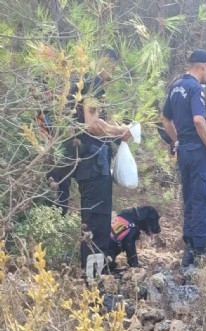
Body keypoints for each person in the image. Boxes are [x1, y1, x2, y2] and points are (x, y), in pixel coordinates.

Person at [69, 48, 131, 284]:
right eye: (113, 66)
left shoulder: (89, 85)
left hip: (92, 163)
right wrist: (119, 131)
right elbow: (93, 124)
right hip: (94, 164)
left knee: (96, 222)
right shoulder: (93, 82)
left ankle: (94, 277)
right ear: (105, 62)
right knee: (96, 223)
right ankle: (93, 284)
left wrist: (117, 131)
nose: (113, 72)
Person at [161, 49, 206, 267]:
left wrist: (176, 141)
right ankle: (202, 251)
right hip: (197, 151)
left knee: (190, 200)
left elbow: (165, 119)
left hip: (183, 151)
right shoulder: (195, 88)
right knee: (202, 199)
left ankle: (189, 249)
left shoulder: (175, 86)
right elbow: (199, 120)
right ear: (203, 66)